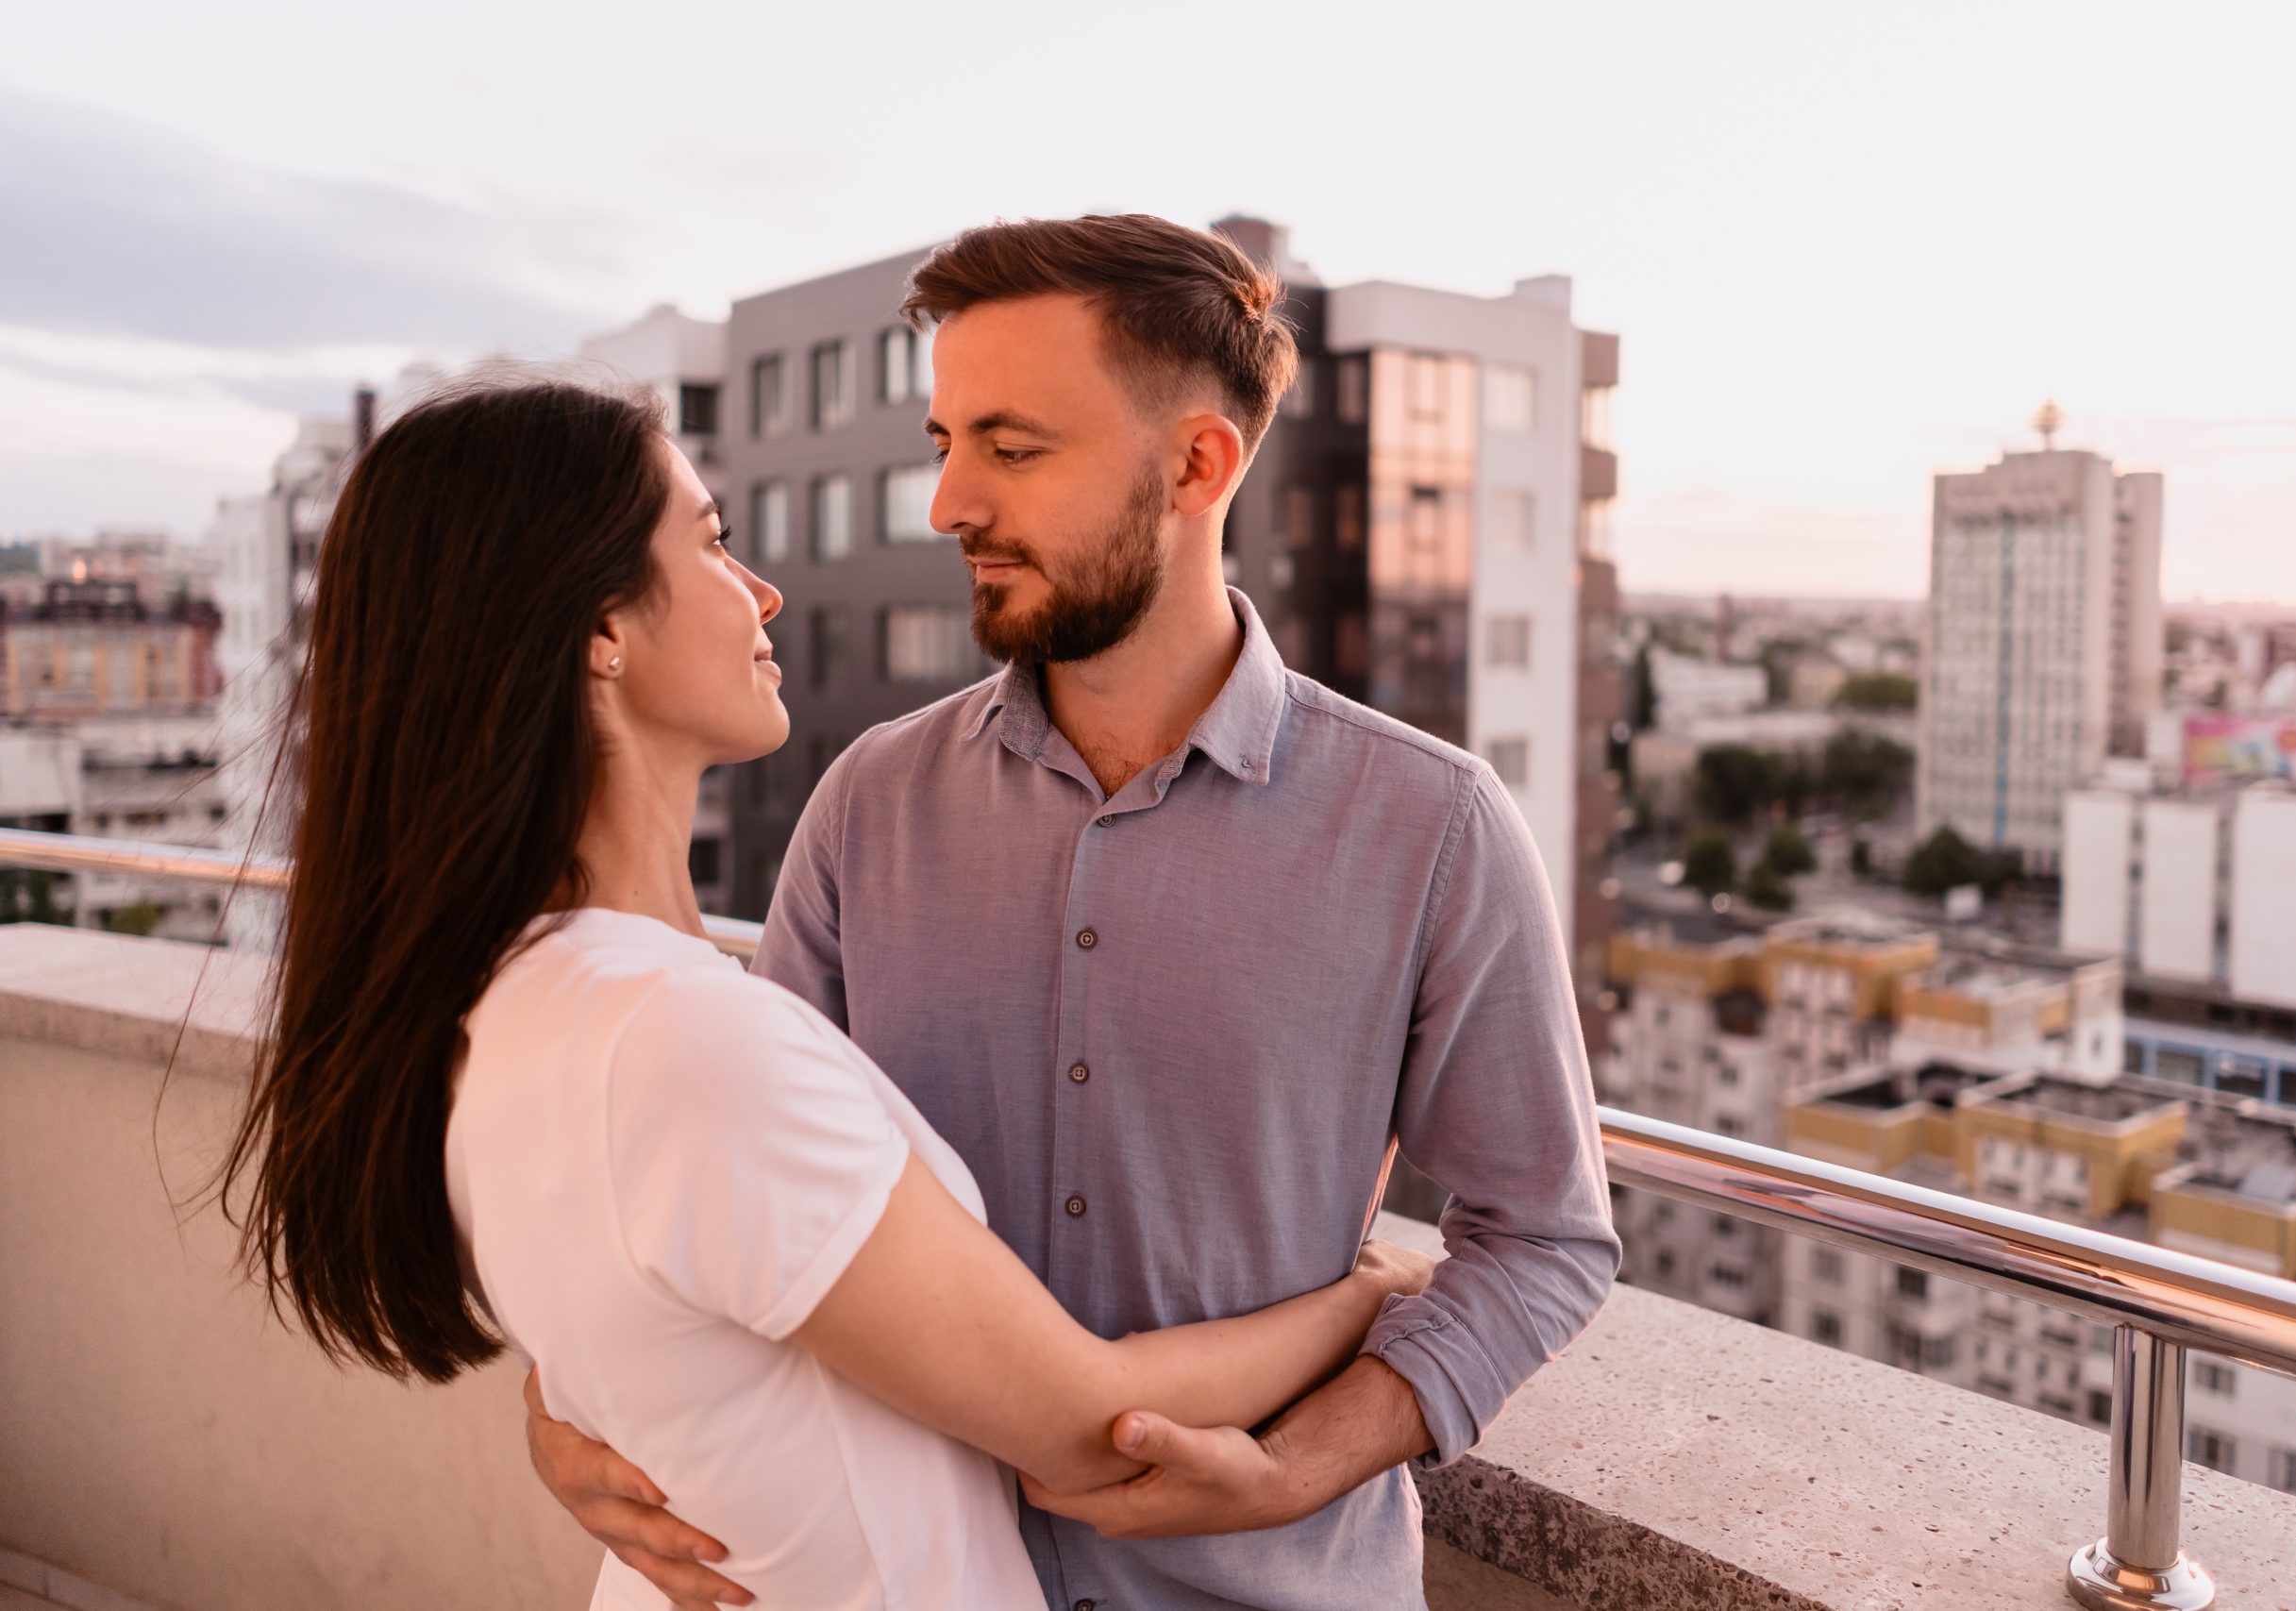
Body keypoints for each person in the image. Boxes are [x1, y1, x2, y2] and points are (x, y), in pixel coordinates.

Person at [526, 215, 1620, 1611]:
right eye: (944, 443)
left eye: (1013, 447)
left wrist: (1293, 1470)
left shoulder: (1433, 828)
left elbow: (1541, 1239)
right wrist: (564, 1396)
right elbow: (709, 1181)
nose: (949, 503)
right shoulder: (868, 805)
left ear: (1197, 463)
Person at [216, 374, 1443, 1610]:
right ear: (599, 631)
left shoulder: (503, 1002)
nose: (763, 590)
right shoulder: (688, 1038)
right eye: (711, 541)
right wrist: (1368, 1298)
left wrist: (572, 1404)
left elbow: (670, 1300)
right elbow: (1094, 1425)